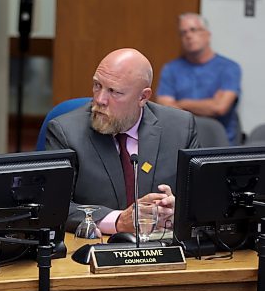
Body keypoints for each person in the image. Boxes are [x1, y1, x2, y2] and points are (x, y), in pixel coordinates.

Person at [46, 48, 200, 234]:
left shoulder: (180, 128)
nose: (100, 99)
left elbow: (203, 199)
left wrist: (181, 210)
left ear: (143, 97)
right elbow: (51, 206)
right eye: (97, 85)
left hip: (163, 248)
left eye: (114, 92)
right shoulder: (66, 132)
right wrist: (118, 221)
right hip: (94, 251)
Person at [157, 13, 242, 145]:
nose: (188, 36)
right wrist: (209, 103)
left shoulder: (229, 68)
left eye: (193, 30)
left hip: (220, 145)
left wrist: (182, 103)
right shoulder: (171, 69)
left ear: (207, 34)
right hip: (181, 142)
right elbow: (165, 109)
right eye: (183, 32)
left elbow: (220, 107)